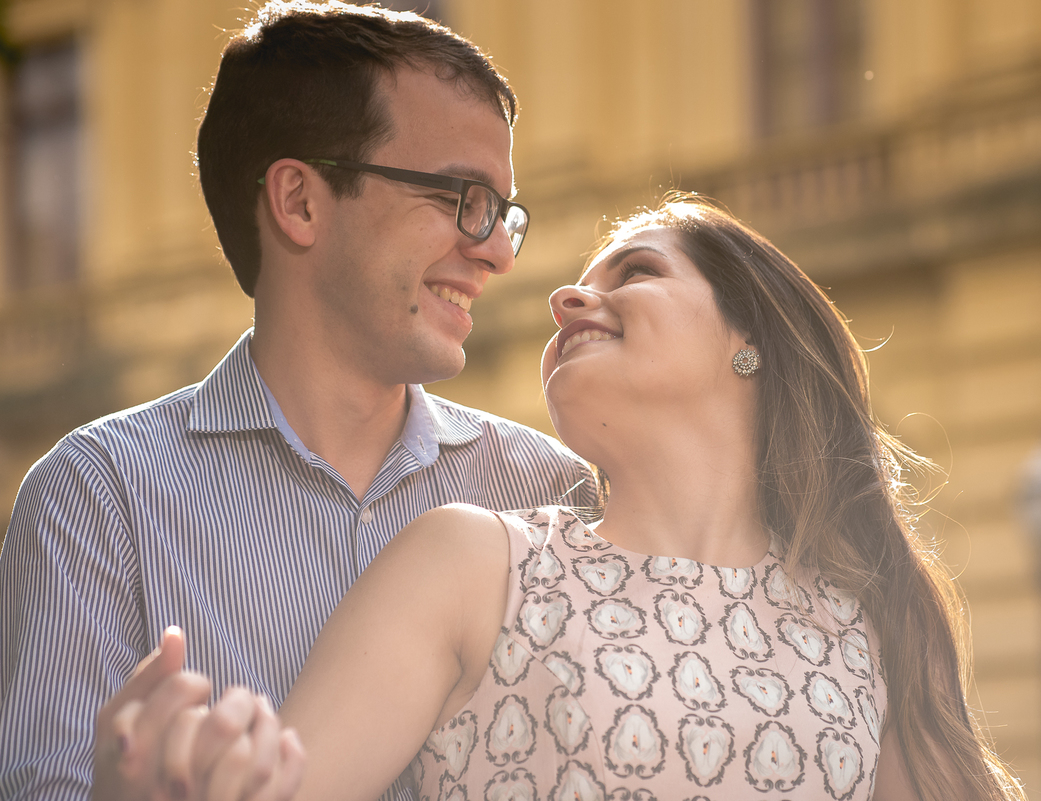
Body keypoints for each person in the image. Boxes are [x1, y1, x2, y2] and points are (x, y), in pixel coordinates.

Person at [0, 3, 595, 799]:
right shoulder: (93, 500)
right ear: (301, 202)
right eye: (462, 196)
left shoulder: (556, 494)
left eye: (502, 214)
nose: (495, 252)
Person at [269, 196, 1027, 800]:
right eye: (582, 284)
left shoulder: (869, 627)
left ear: (750, 339)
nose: (566, 298)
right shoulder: (471, 565)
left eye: (634, 272)